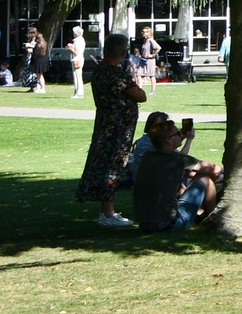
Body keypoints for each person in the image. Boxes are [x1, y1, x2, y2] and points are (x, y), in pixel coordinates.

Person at [76, 33, 145, 228]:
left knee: (106, 164)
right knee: (113, 166)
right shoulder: (116, 73)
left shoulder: (99, 71)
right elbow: (140, 95)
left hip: (105, 125)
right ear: (123, 53)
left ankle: (107, 210)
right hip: (116, 129)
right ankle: (108, 213)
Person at [133, 131, 229, 233]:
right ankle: (212, 220)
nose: (182, 134)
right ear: (169, 140)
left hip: (145, 225)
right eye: (178, 133)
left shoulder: (148, 157)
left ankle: (202, 213)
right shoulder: (176, 158)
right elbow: (216, 170)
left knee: (195, 178)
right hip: (170, 224)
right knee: (206, 178)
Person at [126, 110, 194, 189]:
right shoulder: (156, 144)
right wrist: (189, 140)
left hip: (139, 180)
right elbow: (180, 158)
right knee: (196, 178)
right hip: (152, 184)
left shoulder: (143, 140)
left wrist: (178, 137)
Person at [137, 24, 161, 94]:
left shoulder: (151, 40)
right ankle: (140, 89)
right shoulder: (145, 40)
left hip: (150, 61)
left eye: (145, 32)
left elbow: (158, 48)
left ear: (149, 33)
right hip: (143, 60)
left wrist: (152, 55)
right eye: (142, 32)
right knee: (139, 74)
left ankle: (153, 91)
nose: (143, 33)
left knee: (151, 75)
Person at [23, 27, 48, 93]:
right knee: (37, 75)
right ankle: (36, 88)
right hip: (35, 59)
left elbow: (36, 51)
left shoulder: (38, 42)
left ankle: (40, 88)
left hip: (36, 60)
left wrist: (30, 48)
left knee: (38, 75)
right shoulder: (40, 42)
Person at [69, 25, 87, 97]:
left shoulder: (78, 41)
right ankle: (77, 92)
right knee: (77, 76)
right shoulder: (80, 40)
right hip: (78, 59)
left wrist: (70, 48)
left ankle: (79, 93)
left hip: (77, 59)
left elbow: (77, 52)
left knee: (77, 76)